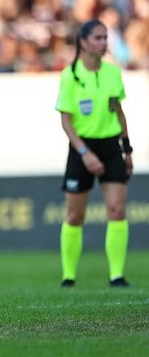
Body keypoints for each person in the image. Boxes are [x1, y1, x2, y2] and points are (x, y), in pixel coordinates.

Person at [55, 19, 133, 288]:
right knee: (75, 215)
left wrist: (127, 148)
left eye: (105, 38)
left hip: (111, 146)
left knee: (117, 209)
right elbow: (66, 121)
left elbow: (118, 111)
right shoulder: (70, 75)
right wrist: (85, 153)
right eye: (98, 38)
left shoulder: (113, 73)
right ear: (84, 42)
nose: (103, 43)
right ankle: (68, 276)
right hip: (82, 148)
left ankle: (116, 275)